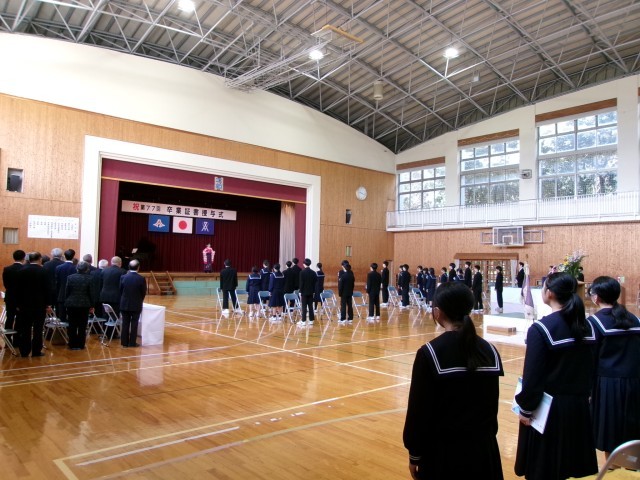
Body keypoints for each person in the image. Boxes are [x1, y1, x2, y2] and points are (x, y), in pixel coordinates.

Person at [403, 281, 504, 480]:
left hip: (444, 454)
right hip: (484, 451)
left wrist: (415, 453)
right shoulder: (490, 350)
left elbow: (418, 411)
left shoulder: (430, 353)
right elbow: (492, 407)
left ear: (438, 312)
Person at [514, 272, 598, 480]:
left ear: (549, 293)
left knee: (545, 470)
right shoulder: (587, 326)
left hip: (549, 412)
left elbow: (532, 376)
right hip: (579, 408)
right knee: (567, 467)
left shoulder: (541, 329)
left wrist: (525, 408)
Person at [587, 276, 640, 459]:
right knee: (632, 429)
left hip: (608, 385)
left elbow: (590, 359)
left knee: (611, 432)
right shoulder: (634, 319)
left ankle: (614, 468)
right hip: (635, 382)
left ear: (596, 297)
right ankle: (631, 466)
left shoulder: (594, 322)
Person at [15, 252, 52, 357]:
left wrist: (17, 304)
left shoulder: (21, 271)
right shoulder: (44, 271)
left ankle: (24, 351)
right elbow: (47, 289)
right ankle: (36, 351)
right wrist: (48, 304)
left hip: (24, 305)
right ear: (40, 259)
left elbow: (17, 290)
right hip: (39, 305)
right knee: (38, 329)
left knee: (25, 328)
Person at [65, 261, 96, 350]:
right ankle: (81, 344)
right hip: (84, 304)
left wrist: (67, 301)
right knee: (82, 325)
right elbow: (91, 293)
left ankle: (72, 344)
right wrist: (92, 305)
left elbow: (67, 291)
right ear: (87, 269)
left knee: (72, 324)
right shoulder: (90, 278)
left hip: (71, 303)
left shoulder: (70, 277)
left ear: (77, 268)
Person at [119, 259, 146, 348]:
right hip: (136, 304)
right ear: (138, 267)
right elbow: (143, 292)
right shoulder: (141, 278)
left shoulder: (123, 277)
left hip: (124, 303)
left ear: (129, 267)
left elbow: (120, 290)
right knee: (134, 324)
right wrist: (139, 300)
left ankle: (124, 342)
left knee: (125, 323)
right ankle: (132, 343)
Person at [2, 249, 26, 340]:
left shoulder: (7, 269)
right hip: (22, 298)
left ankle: (7, 339)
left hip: (10, 297)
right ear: (23, 258)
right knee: (20, 319)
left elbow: (5, 284)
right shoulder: (25, 269)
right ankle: (17, 340)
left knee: (9, 318)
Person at [55, 249, 77, 322]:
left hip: (61, 293)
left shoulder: (58, 268)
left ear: (64, 256)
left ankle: (62, 329)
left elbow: (57, 282)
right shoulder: (76, 268)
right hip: (73, 295)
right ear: (73, 257)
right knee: (72, 318)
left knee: (61, 317)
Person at [298, 258, 317, 326]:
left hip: (304, 292)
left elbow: (301, 283)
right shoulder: (313, 272)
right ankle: (311, 320)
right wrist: (314, 291)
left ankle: (303, 321)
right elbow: (315, 282)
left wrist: (300, 291)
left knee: (304, 306)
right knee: (310, 306)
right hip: (311, 291)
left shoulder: (302, 272)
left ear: (304, 264)